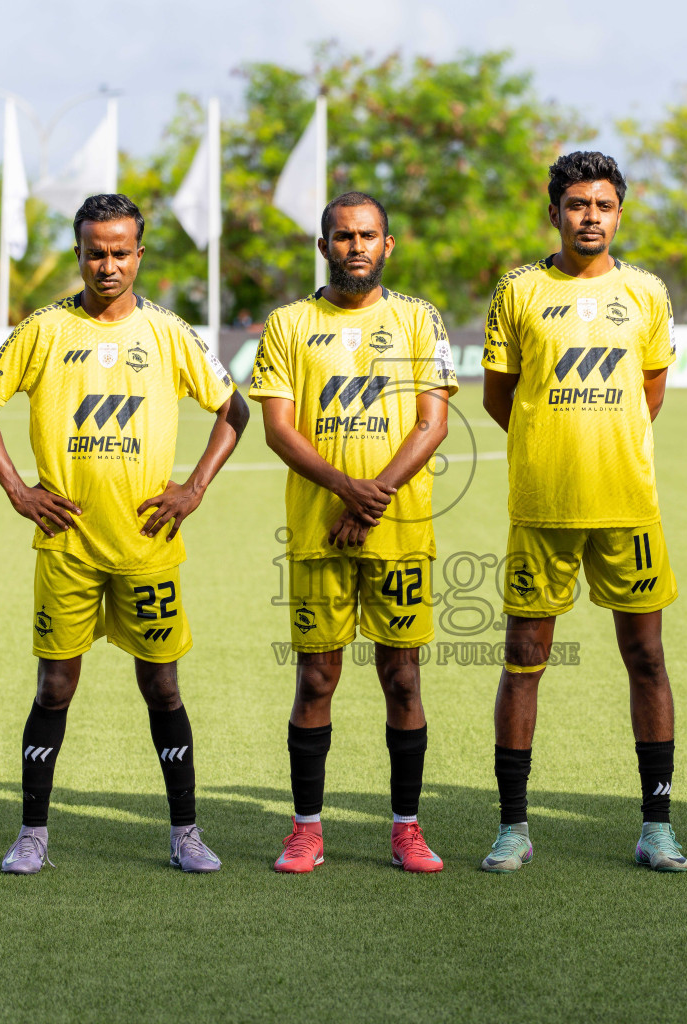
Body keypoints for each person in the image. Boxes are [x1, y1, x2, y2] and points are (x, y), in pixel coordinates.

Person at [0, 193, 248, 874]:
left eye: (121, 252)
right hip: (67, 549)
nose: (108, 264)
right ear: (79, 254)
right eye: (96, 252)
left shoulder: (169, 333)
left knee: (163, 689)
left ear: (139, 255)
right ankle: (33, 833)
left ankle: (186, 833)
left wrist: (194, 488)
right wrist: (18, 490)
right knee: (54, 688)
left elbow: (234, 408)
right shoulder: (45, 330)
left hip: (147, 546)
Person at [479, 152, 687, 873]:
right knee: (523, 662)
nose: (590, 217)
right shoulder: (519, 291)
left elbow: (650, 390)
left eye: (602, 205)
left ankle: (657, 826)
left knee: (647, 659)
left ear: (619, 213)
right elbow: (499, 395)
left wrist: (606, 446)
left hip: (627, 507)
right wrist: (550, 446)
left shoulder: (646, 293)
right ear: (555, 213)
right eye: (577, 205)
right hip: (543, 507)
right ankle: (513, 826)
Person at [250, 191, 457, 873]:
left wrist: (375, 498)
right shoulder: (287, 324)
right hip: (318, 534)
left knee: (402, 679)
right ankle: (305, 830)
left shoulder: (419, 320)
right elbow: (279, 427)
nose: (357, 247)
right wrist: (347, 490)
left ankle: (406, 830)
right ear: (323, 246)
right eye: (343, 236)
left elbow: (433, 423)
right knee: (316, 678)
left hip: (400, 533)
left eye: (369, 235)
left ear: (388, 245)